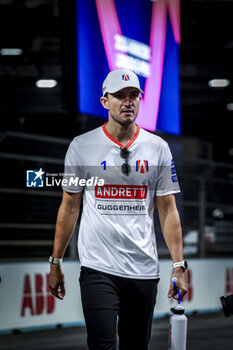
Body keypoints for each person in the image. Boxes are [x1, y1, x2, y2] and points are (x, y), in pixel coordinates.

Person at [49, 68, 188, 350]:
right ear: (105, 101)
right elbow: (69, 207)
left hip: (143, 271)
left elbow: (168, 211)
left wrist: (178, 266)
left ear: (141, 99)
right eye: (120, 96)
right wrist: (56, 262)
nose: (128, 101)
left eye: (134, 95)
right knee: (102, 345)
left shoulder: (157, 148)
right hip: (98, 267)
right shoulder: (81, 147)